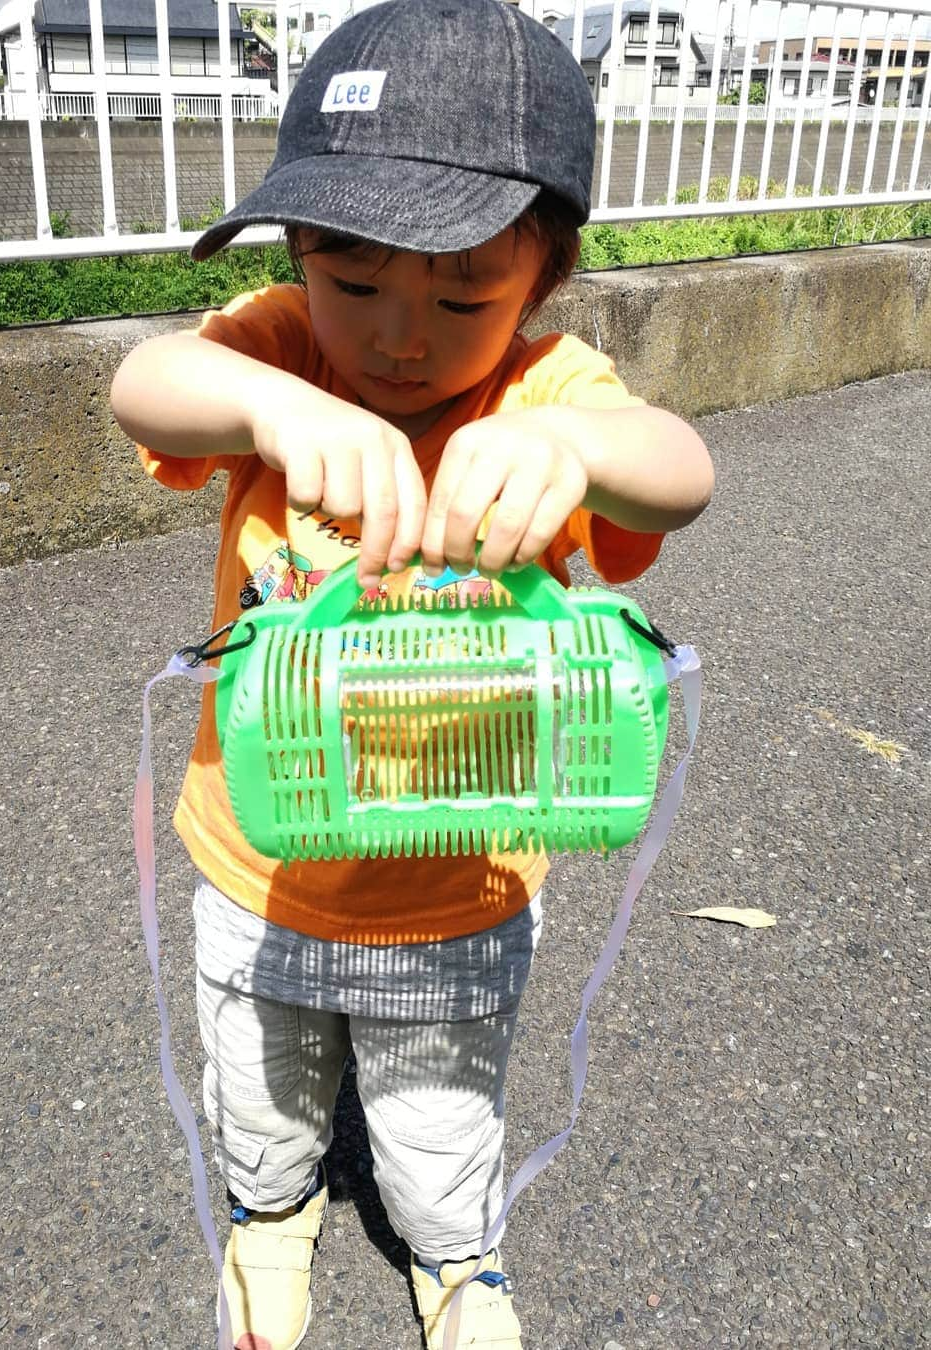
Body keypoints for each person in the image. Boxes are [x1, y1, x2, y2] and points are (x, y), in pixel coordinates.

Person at [112, 1, 714, 1346]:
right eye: (352, 280)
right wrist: (274, 402)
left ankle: (456, 1260)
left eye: (460, 297)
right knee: (260, 1076)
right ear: (295, 261)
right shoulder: (274, 351)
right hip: (260, 855)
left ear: (542, 283)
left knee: (438, 1107)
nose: (395, 338)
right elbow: (146, 388)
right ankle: (271, 1216)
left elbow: (683, 471)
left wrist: (589, 459)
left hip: (460, 871)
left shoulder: (551, 392)